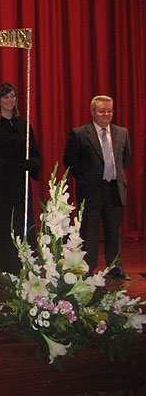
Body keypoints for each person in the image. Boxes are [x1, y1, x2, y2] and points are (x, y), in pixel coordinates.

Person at [0, 83, 41, 288]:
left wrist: (33, 164)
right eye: (5, 97)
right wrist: (15, 167)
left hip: (19, 188)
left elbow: (35, 154)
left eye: (12, 96)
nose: (10, 100)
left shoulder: (24, 125)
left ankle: (15, 271)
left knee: (19, 229)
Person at [63, 95, 131, 279]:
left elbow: (126, 159)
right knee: (89, 231)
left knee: (114, 232)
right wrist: (86, 178)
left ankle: (115, 267)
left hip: (114, 190)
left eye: (109, 111)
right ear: (93, 112)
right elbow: (69, 161)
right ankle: (87, 267)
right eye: (102, 111)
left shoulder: (121, 132)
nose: (106, 114)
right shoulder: (79, 133)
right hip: (91, 190)